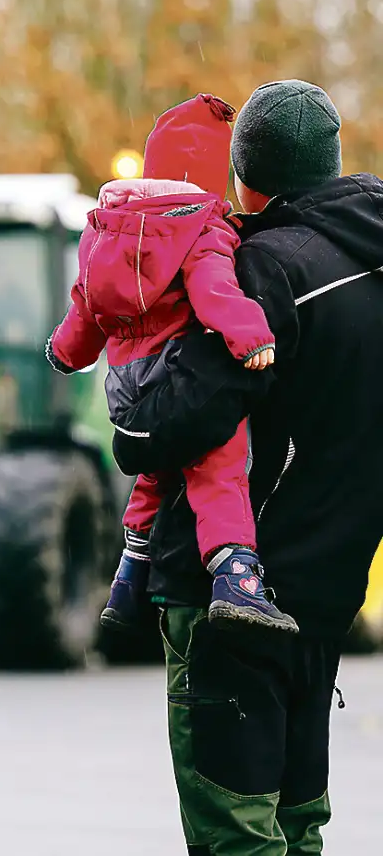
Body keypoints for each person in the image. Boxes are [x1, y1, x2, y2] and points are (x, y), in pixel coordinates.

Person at [110, 79, 383, 854]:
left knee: (238, 834)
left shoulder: (263, 270)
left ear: (246, 174)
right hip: (327, 600)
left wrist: (127, 370)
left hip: (234, 600)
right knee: (299, 827)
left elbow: (155, 428)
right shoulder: (373, 260)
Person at [46, 93, 297, 636]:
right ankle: (236, 580)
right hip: (178, 378)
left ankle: (128, 578)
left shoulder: (103, 230)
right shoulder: (199, 227)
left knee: (153, 477)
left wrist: (64, 354)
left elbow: (83, 310)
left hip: (126, 390)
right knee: (218, 472)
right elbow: (215, 293)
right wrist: (251, 340)